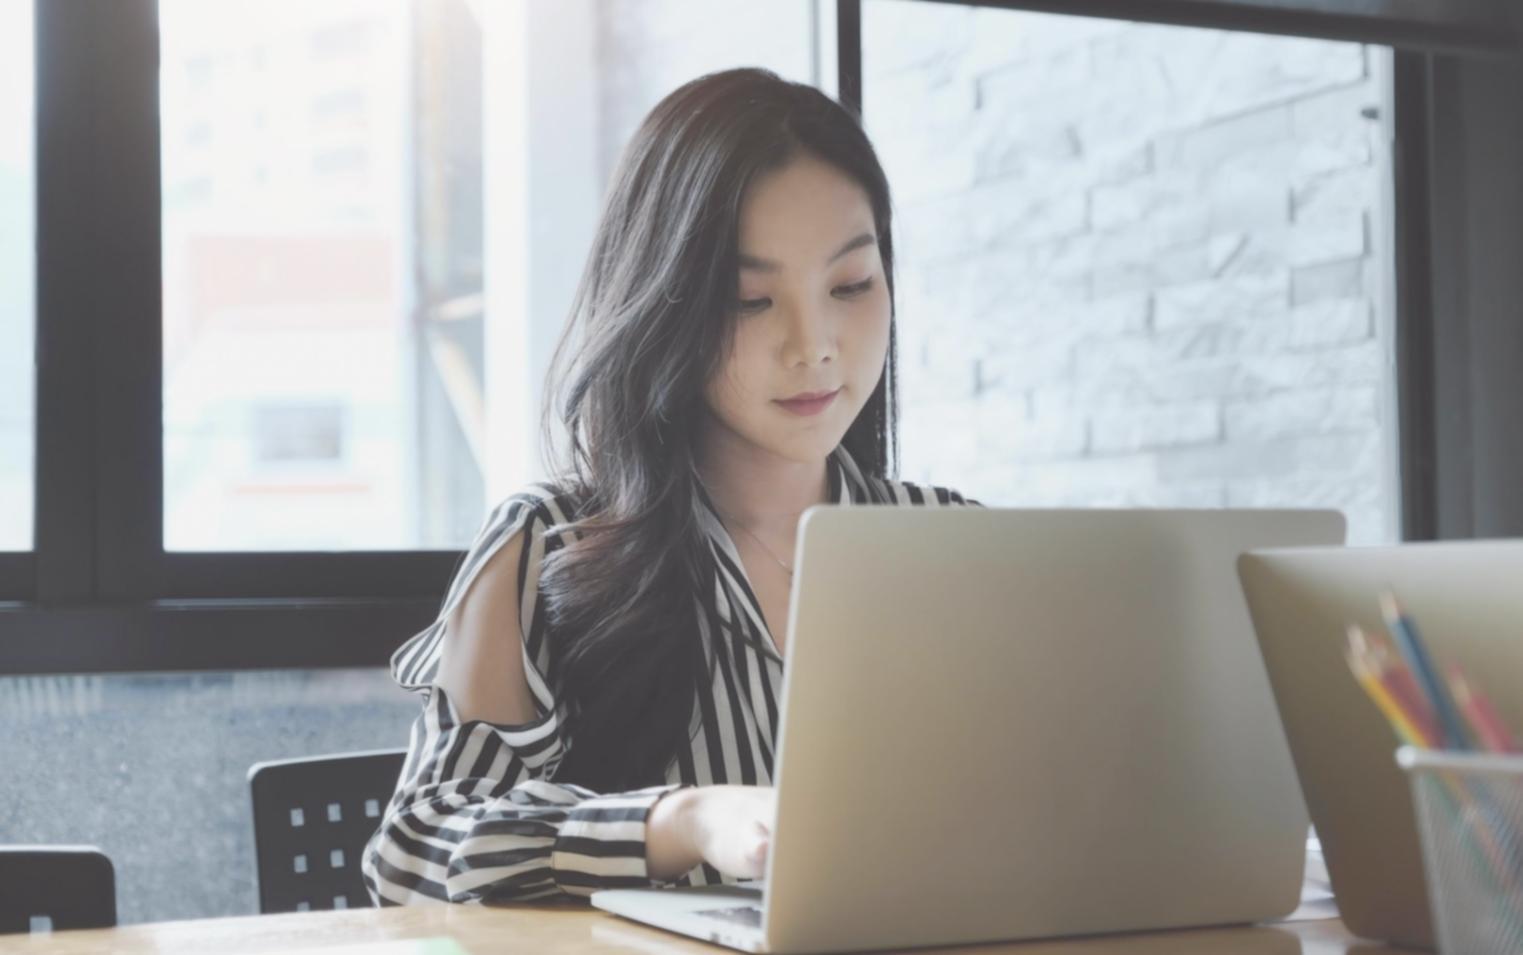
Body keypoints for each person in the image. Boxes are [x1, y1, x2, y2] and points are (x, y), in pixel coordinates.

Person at [362, 66, 980, 906]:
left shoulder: (960, 548)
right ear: (665, 306)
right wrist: (682, 822)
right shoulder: (548, 545)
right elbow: (415, 848)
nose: (815, 345)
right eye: (750, 299)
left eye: (850, 285)